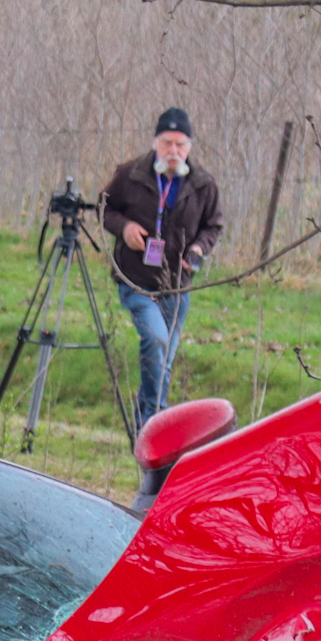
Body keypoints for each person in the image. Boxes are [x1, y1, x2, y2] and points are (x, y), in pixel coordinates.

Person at [99, 107, 224, 429]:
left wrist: (198, 249)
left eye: (180, 145)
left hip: (177, 285)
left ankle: (146, 423)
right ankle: (156, 423)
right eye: (167, 143)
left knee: (163, 359)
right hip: (136, 280)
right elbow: (104, 208)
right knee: (156, 341)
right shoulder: (130, 174)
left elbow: (213, 226)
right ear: (155, 142)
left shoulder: (203, 184)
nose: (173, 151)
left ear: (189, 147)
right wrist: (125, 227)